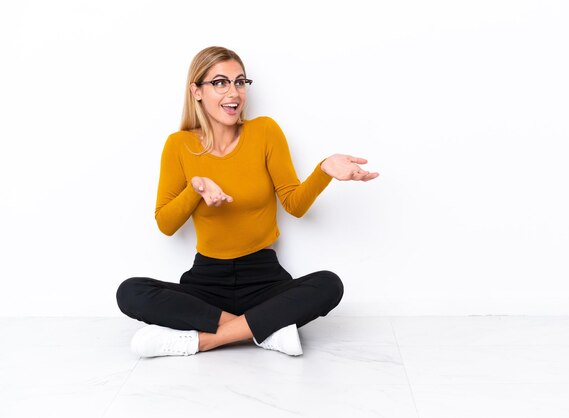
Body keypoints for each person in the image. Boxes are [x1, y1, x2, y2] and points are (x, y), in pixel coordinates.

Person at [116, 46, 378, 358]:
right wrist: (195, 188)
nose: (234, 92)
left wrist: (323, 170)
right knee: (130, 292)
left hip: (264, 280)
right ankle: (265, 330)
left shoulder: (265, 131)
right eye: (220, 82)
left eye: (240, 82)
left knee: (329, 285)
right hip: (206, 283)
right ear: (196, 91)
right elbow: (166, 224)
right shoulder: (179, 145)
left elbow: (294, 204)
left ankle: (202, 340)